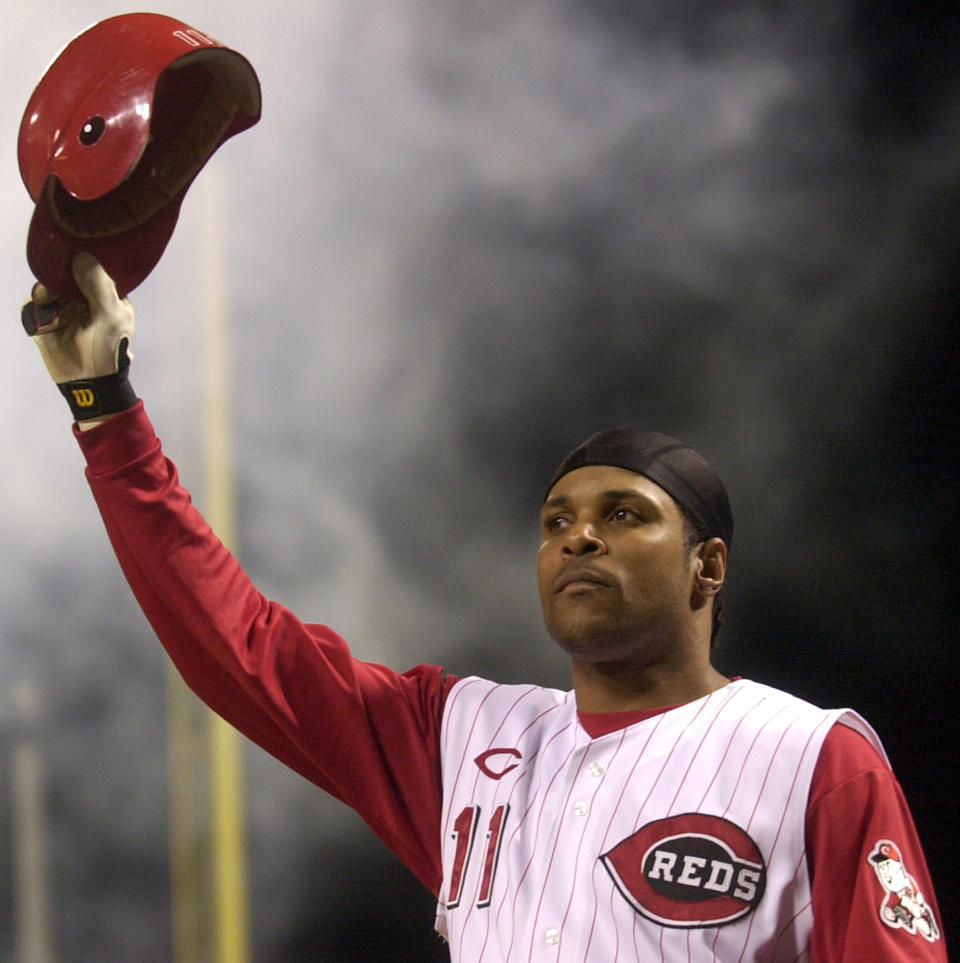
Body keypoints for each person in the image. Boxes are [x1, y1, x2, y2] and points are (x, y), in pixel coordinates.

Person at [23, 254, 946, 961]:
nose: (578, 538)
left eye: (623, 515)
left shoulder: (811, 756)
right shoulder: (469, 738)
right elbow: (241, 644)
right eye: (556, 521)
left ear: (709, 566)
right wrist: (106, 413)